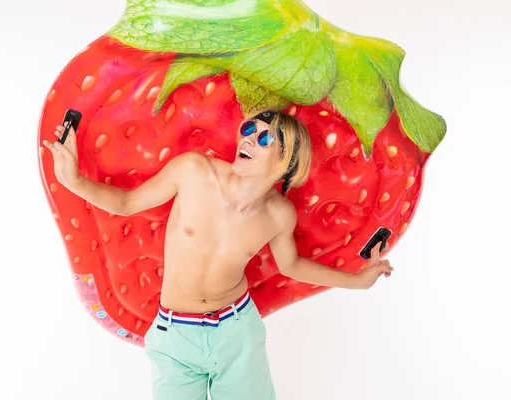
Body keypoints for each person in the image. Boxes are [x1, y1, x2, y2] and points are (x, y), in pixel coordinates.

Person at [42, 109, 394, 400]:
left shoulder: (279, 214)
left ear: (287, 161)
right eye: (249, 129)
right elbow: (126, 203)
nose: (248, 138)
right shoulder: (193, 171)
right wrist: (72, 180)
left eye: (265, 138)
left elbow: (291, 265)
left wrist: (357, 282)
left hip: (237, 333)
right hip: (175, 336)